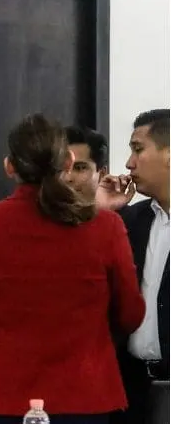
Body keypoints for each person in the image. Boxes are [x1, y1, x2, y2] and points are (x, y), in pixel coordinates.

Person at [0, 114, 145, 424]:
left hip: (0, 396)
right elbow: (130, 314)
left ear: (9, 166)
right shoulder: (105, 226)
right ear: (68, 162)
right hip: (84, 396)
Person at [100, 109, 170, 424]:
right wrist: (100, 211)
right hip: (131, 388)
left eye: (138, 149)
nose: (129, 163)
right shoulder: (128, 220)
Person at [64, 126, 109, 201]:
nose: (67, 178)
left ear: (102, 174)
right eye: (61, 168)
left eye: (79, 168)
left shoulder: (115, 207)